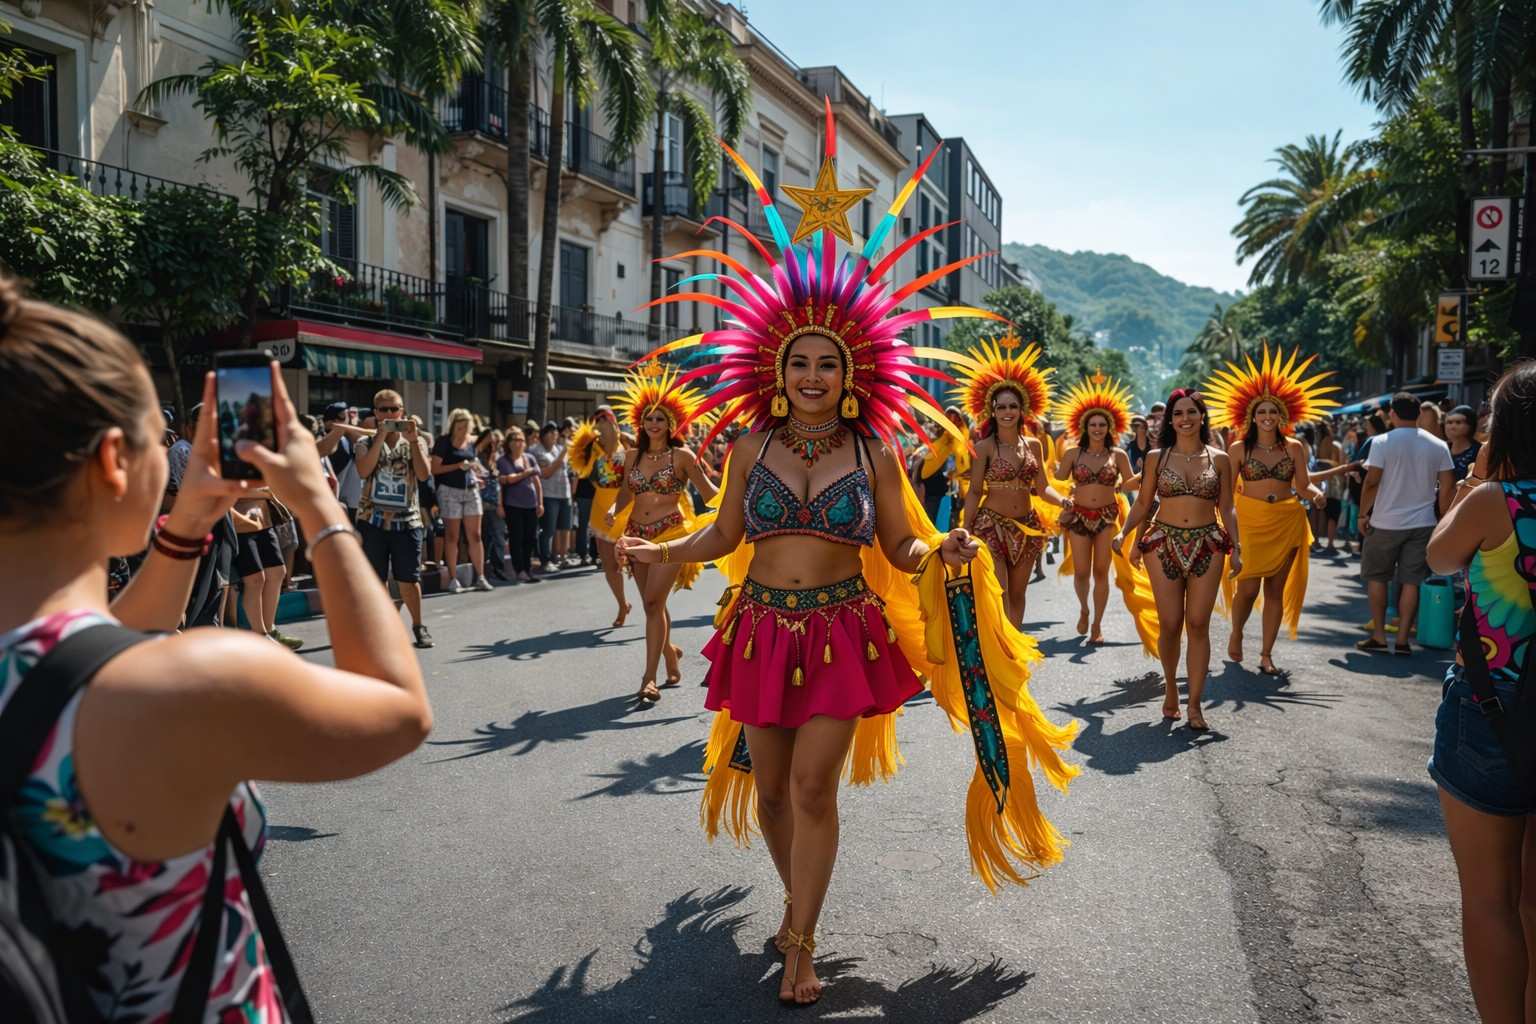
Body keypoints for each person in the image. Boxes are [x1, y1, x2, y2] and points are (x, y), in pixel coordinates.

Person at [617, 129, 1078, 1005]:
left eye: (830, 362)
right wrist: (661, 549)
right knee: (773, 797)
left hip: (839, 631)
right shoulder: (752, 444)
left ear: (853, 371)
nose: (816, 373)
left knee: (813, 785)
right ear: (778, 370)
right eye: (801, 361)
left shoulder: (873, 452)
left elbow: (899, 544)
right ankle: (798, 905)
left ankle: (800, 939)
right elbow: (720, 537)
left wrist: (941, 548)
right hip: (756, 627)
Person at [0, 281, 431, 1021]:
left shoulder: (68, 673)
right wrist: (319, 505)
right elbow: (399, 710)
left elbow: (88, 657)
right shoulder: (189, 680)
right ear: (114, 462)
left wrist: (189, 520)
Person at [1423, 362, 1536, 1024]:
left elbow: (1440, 557)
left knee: (1491, 898)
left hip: (1492, 713)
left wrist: (1475, 482)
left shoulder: (1494, 501)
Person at [1203, 346, 1337, 677]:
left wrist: (1317, 494)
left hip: (1286, 521)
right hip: (1248, 521)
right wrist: (1225, 526)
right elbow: (1227, 494)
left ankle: (1266, 654)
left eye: (1272, 412)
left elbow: (1303, 485)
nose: (1267, 417)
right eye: (1261, 411)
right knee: (1247, 588)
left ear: (1281, 416)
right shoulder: (1237, 449)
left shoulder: (1294, 447)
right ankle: (1236, 632)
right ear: (1252, 416)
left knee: (1274, 591)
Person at [1116, 388, 1240, 729]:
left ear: (1202, 417)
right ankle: (1171, 687)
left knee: (1199, 624)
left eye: (1191, 412)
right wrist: (1125, 534)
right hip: (1163, 542)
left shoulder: (1221, 458)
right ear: (1170, 420)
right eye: (1179, 413)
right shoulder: (1157, 457)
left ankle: (1195, 705)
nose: (1185, 419)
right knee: (1170, 623)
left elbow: (1226, 506)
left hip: (1209, 543)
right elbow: (1143, 504)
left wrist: (1238, 547)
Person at [604, 365, 718, 702]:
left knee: (654, 603)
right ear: (641, 422)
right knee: (652, 604)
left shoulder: (682, 456)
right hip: (637, 534)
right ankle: (670, 654)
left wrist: (742, 492)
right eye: (649, 419)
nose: (655, 424)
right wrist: (615, 507)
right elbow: (627, 491)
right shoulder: (631, 456)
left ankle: (648, 679)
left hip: (671, 533)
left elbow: (710, 493)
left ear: (672, 424)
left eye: (661, 419)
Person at [957, 336, 1068, 627]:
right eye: (1001, 407)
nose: (1007, 412)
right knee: (1002, 591)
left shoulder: (1034, 445)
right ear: (992, 411)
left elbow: (1043, 487)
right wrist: (966, 528)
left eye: (1012, 407)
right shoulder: (984, 447)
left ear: (1022, 410)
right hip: (991, 525)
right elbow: (975, 491)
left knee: (1019, 594)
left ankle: (1014, 650)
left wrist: (1064, 500)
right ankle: (1003, 651)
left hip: (1027, 527)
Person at [1357, 391, 1454, 655]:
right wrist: (1443, 518)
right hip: (1423, 523)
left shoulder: (1381, 442)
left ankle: (1378, 635)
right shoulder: (1438, 445)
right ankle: (1402, 641)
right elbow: (1447, 486)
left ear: (1392, 414)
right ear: (1419, 414)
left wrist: (1363, 514)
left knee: (1378, 578)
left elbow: (1372, 481)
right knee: (1411, 582)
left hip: (1385, 521)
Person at [1052, 374, 1136, 644]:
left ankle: (1097, 625)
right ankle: (1084, 609)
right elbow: (1059, 478)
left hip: (1107, 517)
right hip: (1078, 516)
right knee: (1081, 572)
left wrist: (1149, 473)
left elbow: (1131, 481)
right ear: (1085, 427)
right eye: (1093, 424)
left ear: (1110, 427)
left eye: (1102, 424)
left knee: (1102, 572)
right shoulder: (1073, 454)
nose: (1097, 428)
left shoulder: (1118, 456)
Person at [354, 390, 435, 648]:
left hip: (407, 520)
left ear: (403, 410)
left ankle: (418, 626)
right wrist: (379, 436)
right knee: (376, 580)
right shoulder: (364, 442)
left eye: (394, 409)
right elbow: (363, 470)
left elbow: (424, 475)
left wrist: (412, 441)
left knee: (409, 578)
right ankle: (383, 628)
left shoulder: (417, 442)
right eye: (384, 410)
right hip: (372, 520)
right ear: (375, 413)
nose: (390, 414)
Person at [569, 407, 632, 623]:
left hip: (625, 505)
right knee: (609, 564)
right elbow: (579, 466)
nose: (600, 423)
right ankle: (622, 605)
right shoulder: (591, 446)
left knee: (631, 558)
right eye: (597, 419)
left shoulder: (627, 443)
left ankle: (654, 607)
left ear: (613, 421)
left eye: (605, 418)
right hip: (601, 505)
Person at [430, 408, 493, 593]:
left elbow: (472, 463)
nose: (463, 430)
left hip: (470, 489)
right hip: (449, 491)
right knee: (452, 536)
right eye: (460, 426)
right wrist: (458, 465)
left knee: (475, 535)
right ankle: (453, 578)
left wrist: (475, 472)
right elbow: (434, 468)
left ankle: (480, 576)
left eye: (466, 426)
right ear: (453, 425)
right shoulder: (444, 442)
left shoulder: (471, 442)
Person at [497, 427, 543, 584]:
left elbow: (537, 481)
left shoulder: (529, 458)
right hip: (512, 504)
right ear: (509, 443)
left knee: (530, 537)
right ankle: (519, 570)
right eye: (515, 440)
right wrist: (500, 505)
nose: (519, 443)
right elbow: (506, 480)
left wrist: (540, 502)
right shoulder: (503, 461)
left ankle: (527, 568)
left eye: (521, 440)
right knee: (516, 537)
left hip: (530, 503)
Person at [530, 422, 571, 571]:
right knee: (548, 530)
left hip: (564, 494)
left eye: (555, 434)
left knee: (565, 527)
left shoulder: (559, 449)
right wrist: (562, 455)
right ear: (543, 436)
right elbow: (545, 473)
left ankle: (562, 557)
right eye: (551, 433)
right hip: (548, 494)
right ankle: (545, 560)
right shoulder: (536, 451)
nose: (554, 437)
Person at [317, 400, 368, 520]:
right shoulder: (325, 440)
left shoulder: (345, 438)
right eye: (343, 417)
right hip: (335, 501)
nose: (347, 420)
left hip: (350, 501)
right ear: (330, 422)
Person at [477, 429, 509, 581]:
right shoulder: (478, 457)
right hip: (480, 503)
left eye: (497, 442)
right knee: (482, 538)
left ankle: (498, 568)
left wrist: (500, 504)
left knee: (498, 537)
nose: (495, 445)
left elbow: (498, 485)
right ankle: (481, 570)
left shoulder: (497, 459)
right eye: (493, 442)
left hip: (494, 504)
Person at [1445, 404, 1482, 483]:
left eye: (1458, 422)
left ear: (1470, 425)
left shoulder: (1480, 451)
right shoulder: (1441, 448)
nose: (1452, 426)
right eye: (1449, 422)